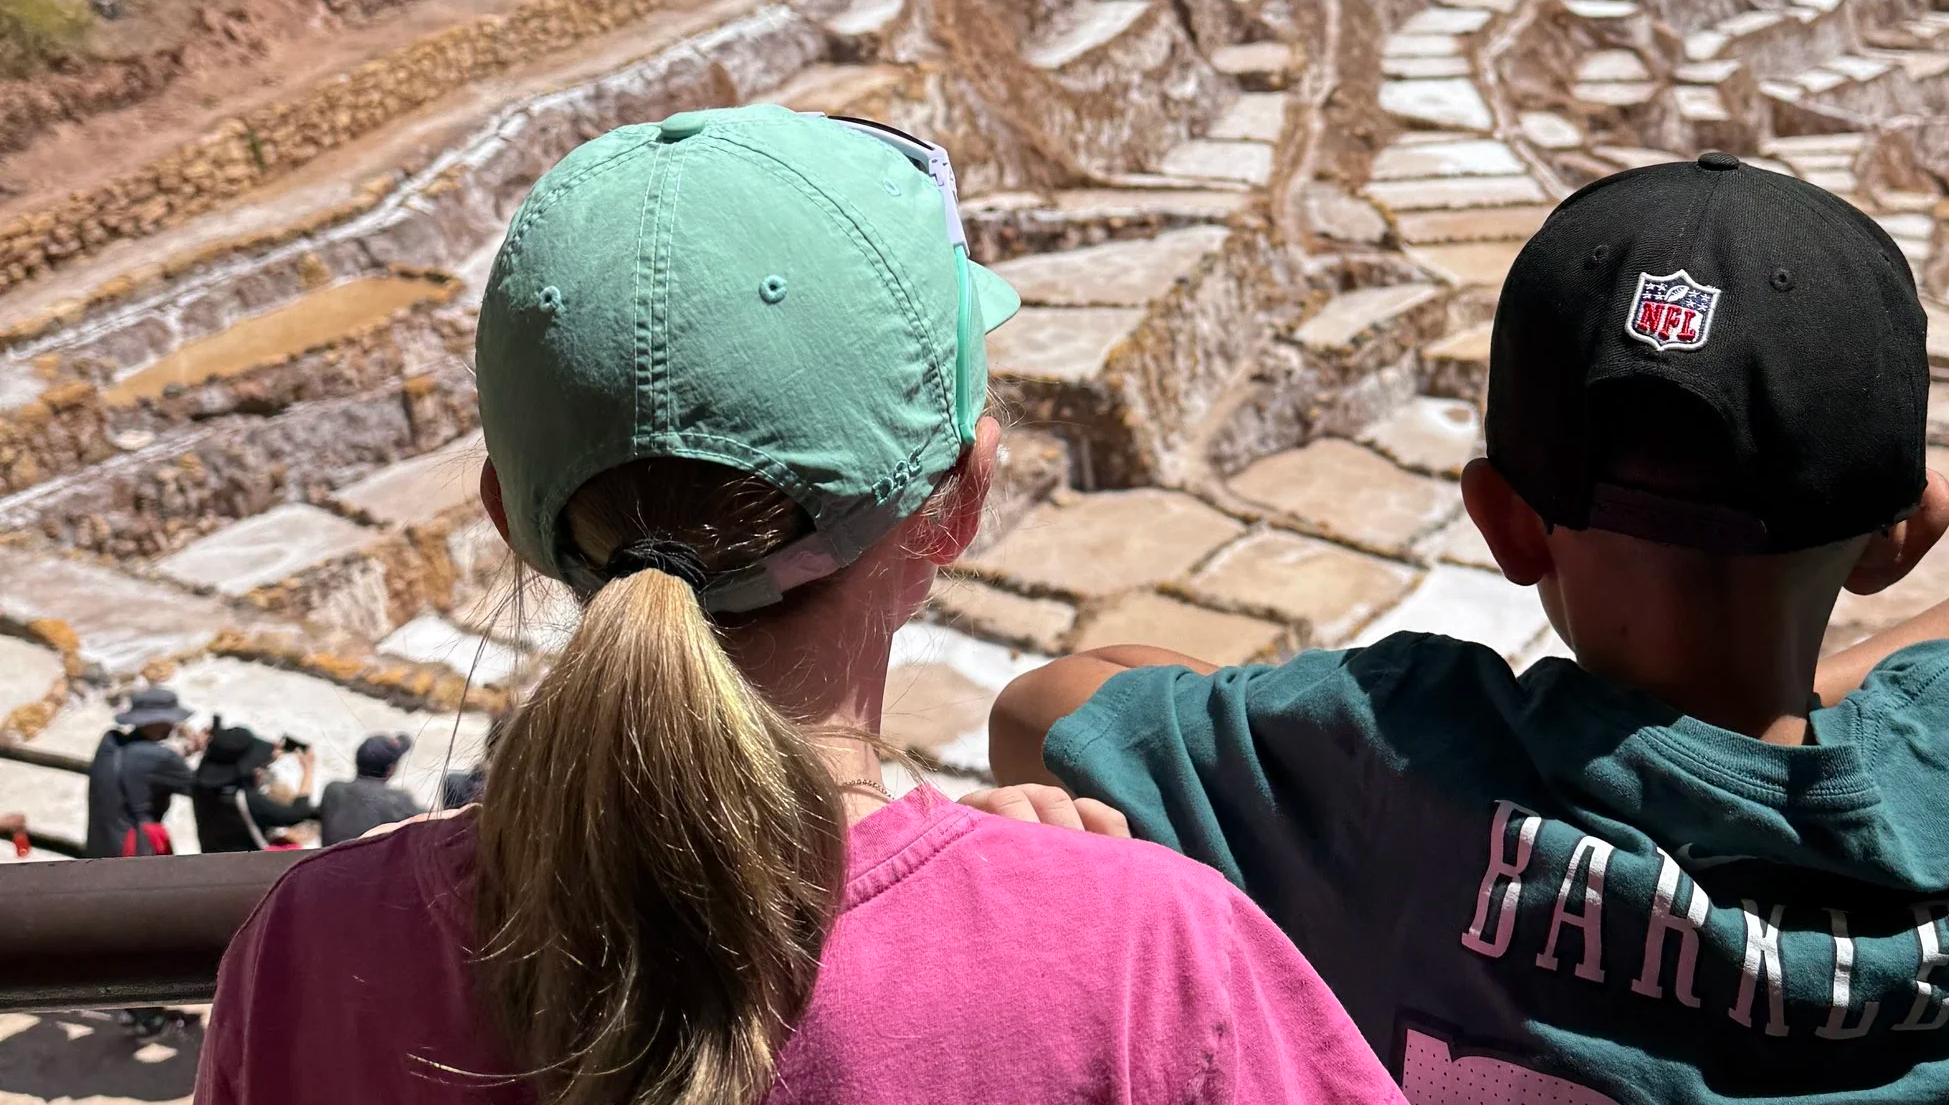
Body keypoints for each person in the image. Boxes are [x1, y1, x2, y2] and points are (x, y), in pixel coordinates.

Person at [196, 105, 1407, 1105]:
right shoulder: (1147, 965)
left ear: (508, 516)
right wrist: (1034, 907)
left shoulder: (313, 954)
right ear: (959, 500)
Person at [995, 153, 1949, 1104]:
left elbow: (1041, 708)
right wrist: (1790, 712)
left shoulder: (1397, 760)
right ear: (1903, 536)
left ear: (1505, 526)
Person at [84, 684, 198, 858]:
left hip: (102, 848)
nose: (174, 724)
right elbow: (200, 785)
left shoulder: (110, 743)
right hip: (135, 852)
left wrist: (186, 750)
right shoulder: (161, 758)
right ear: (156, 721)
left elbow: (144, 761)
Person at [193, 724, 319, 853]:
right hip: (247, 866)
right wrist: (308, 769)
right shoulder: (247, 801)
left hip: (211, 859)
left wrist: (264, 758)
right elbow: (298, 813)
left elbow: (224, 765)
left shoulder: (199, 786)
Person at [317, 734, 417, 844]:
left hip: (329, 860)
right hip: (369, 861)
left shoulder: (332, 790)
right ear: (390, 769)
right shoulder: (398, 800)